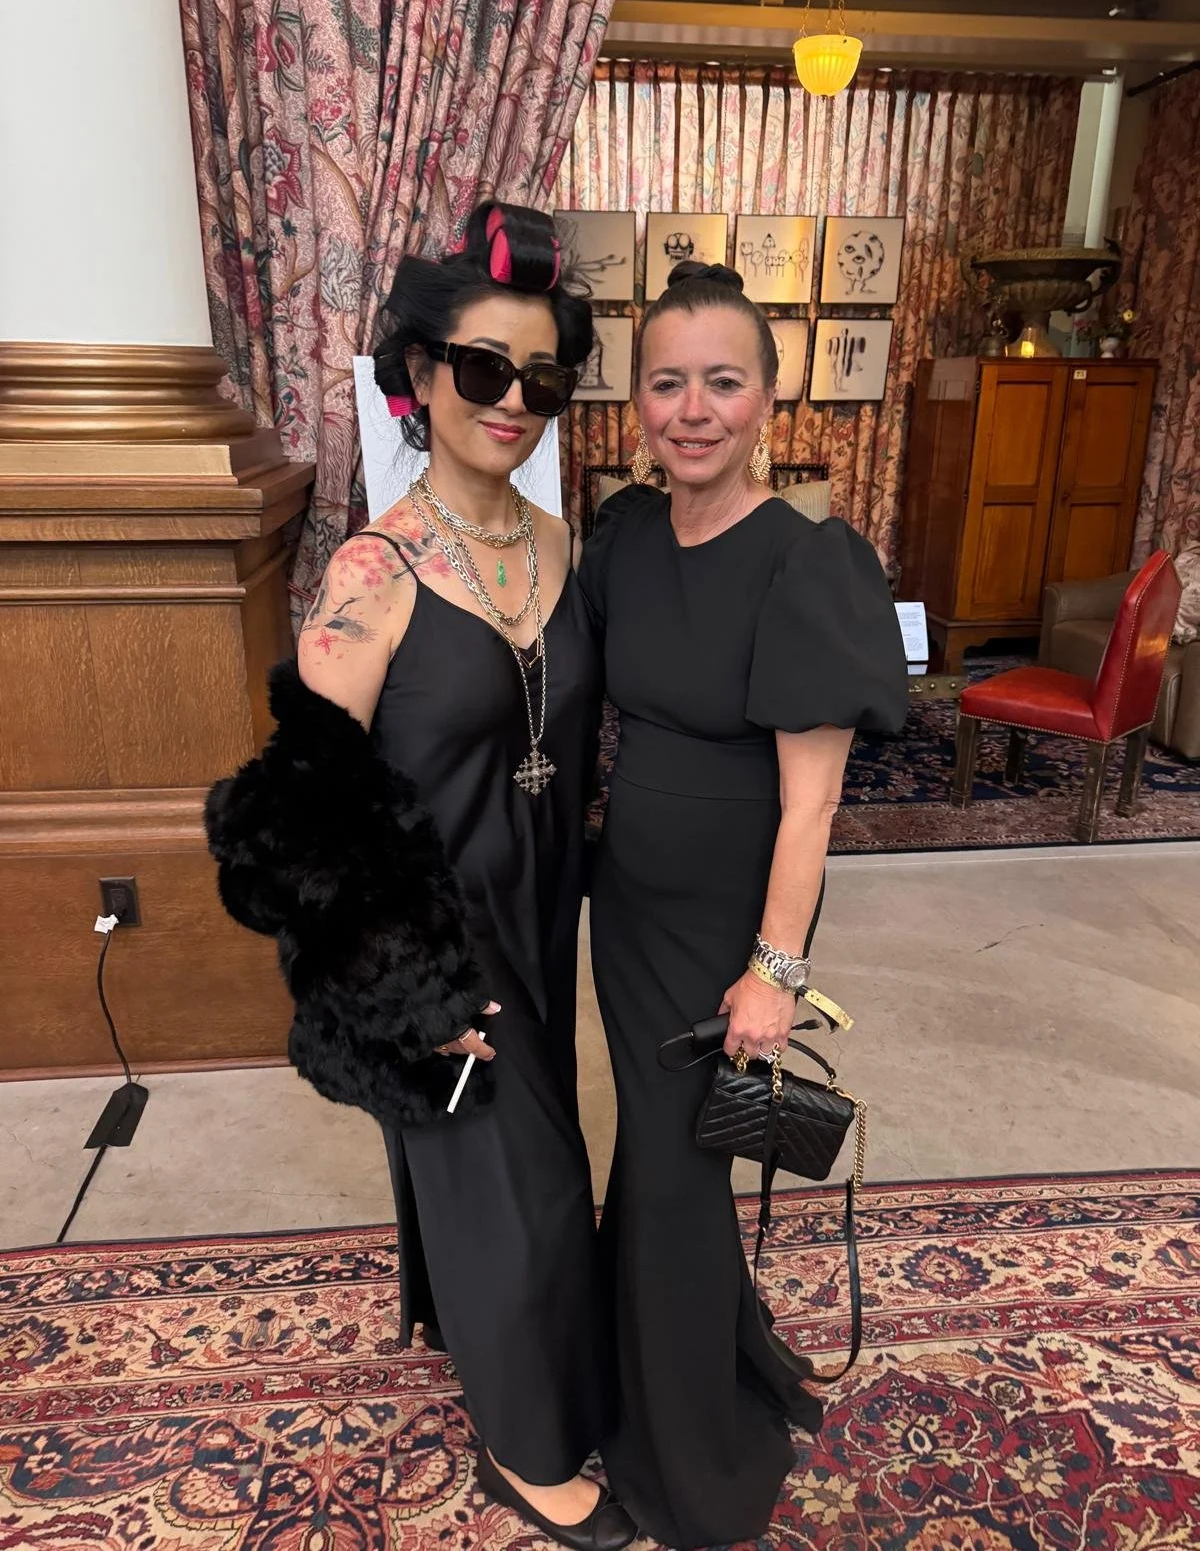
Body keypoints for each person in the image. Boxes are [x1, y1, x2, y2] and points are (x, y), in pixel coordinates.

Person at [207, 202, 634, 1551]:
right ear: (419, 374)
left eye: (542, 377)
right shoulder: (370, 575)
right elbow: (284, 826)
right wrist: (405, 986)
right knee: (530, 1193)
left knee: (526, 1170)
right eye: (483, 369)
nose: (513, 402)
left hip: (541, 918)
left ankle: (500, 1346)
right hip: (442, 945)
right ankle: (528, 1444)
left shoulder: (564, 551)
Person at [580, 260, 909, 1549]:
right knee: (661, 1165)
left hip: (729, 925)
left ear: (767, 398)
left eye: (724, 381)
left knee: (670, 1173)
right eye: (669, 382)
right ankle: (673, 1380)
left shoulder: (807, 562)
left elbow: (812, 806)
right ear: (636, 400)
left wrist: (773, 968)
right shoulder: (623, 540)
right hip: (630, 913)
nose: (694, 408)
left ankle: (691, 1462)